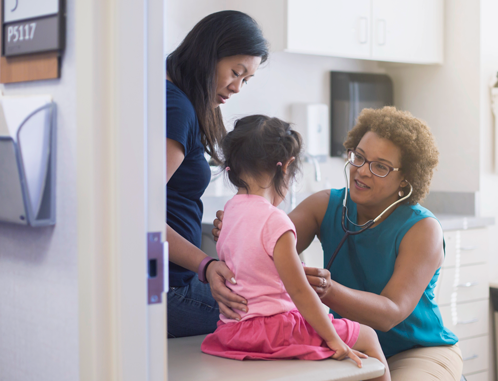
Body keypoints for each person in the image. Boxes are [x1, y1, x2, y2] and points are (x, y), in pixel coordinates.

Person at [213, 107, 464, 380]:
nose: (362, 172)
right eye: (359, 157)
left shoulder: (422, 229)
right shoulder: (326, 205)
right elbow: (267, 241)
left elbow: (390, 314)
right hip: (349, 341)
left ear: (406, 179)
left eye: (380, 166)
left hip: (416, 350)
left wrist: (328, 290)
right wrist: (241, 228)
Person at [201, 115, 390, 381]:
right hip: (275, 331)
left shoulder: (230, 212)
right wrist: (334, 339)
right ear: (287, 166)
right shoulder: (275, 219)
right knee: (368, 335)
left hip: (234, 332)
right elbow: (300, 291)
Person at [165, 10, 269, 338]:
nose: (237, 87)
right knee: (282, 313)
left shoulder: (168, 94)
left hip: (169, 280)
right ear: (209, 53)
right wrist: (206, 265)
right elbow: (138, 213)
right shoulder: (176, 108)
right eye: (235, 72)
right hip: (168, 289)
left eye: (246, 79)